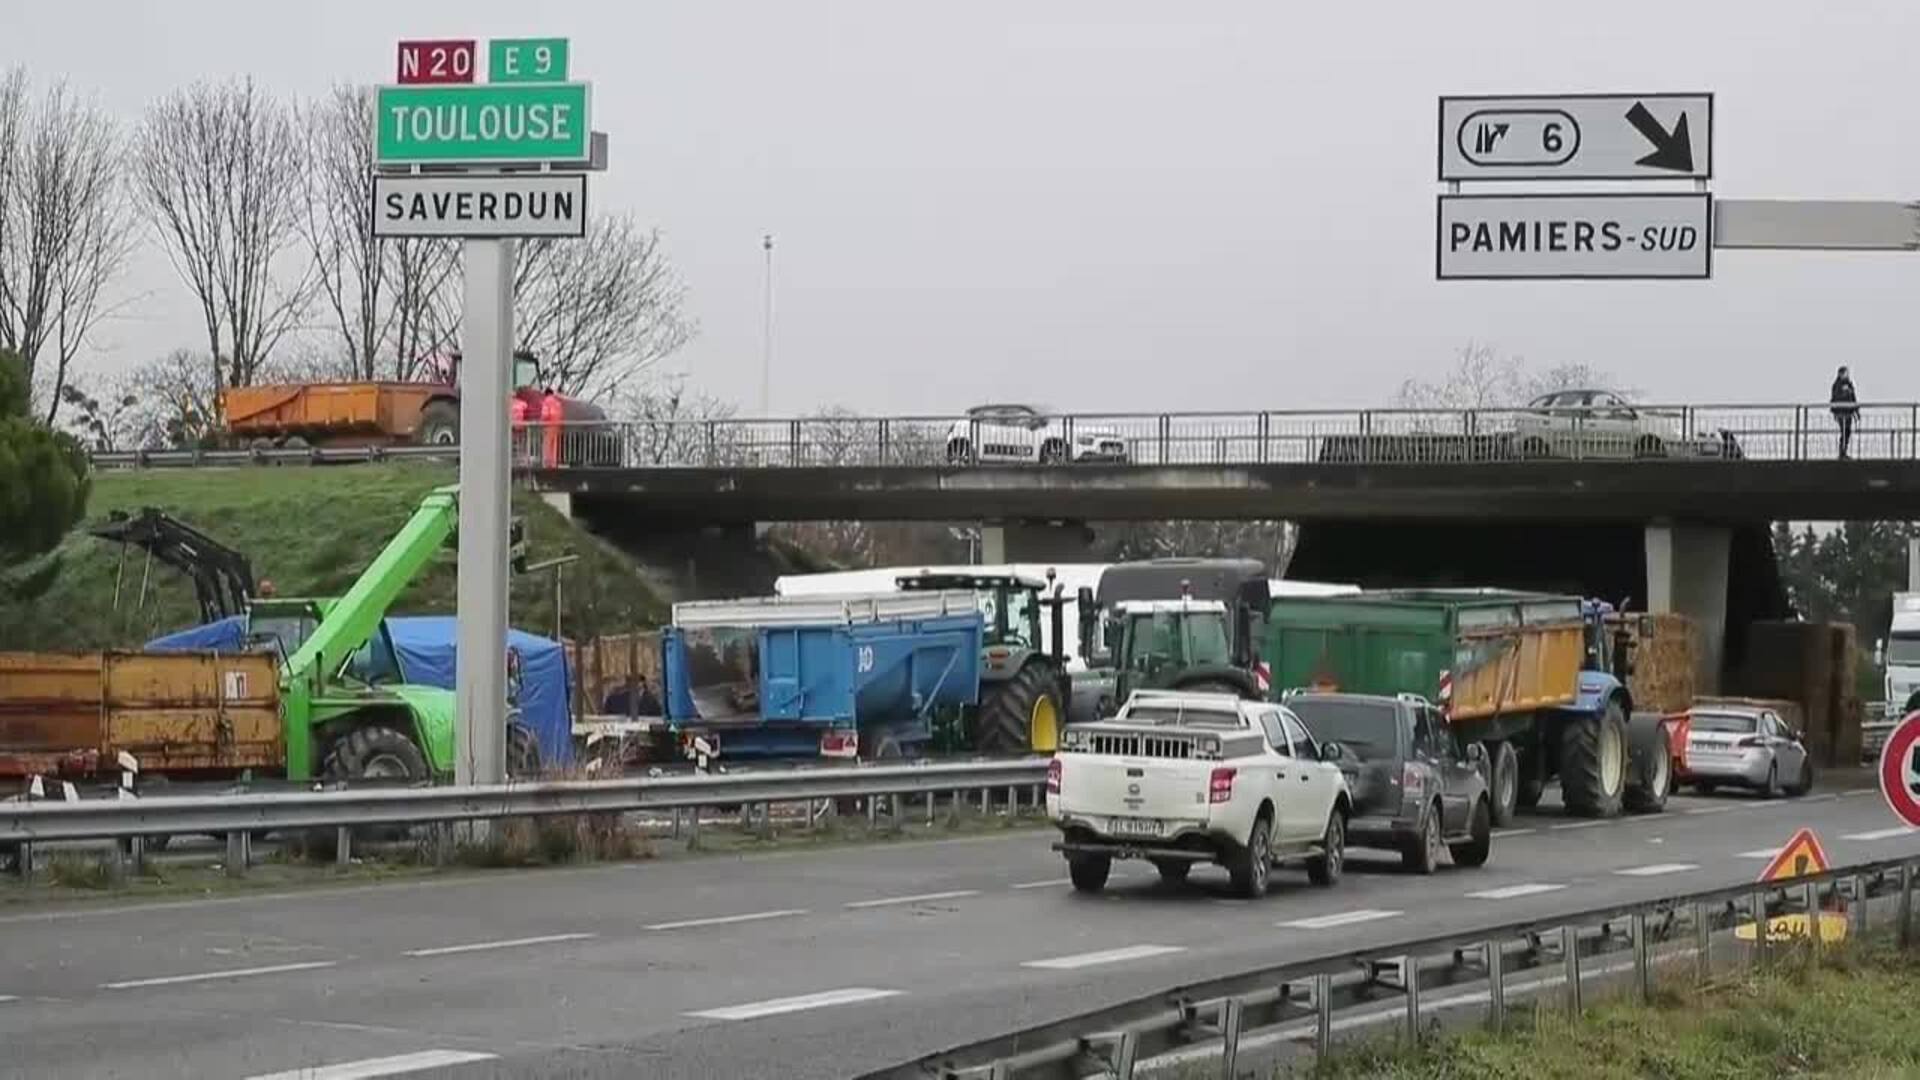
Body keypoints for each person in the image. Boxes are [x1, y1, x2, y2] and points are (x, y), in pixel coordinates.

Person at [1830, 365, 1859, 460]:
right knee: (1844, 431)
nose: (1845, 375)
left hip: (1848, 412)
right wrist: (1835, 411)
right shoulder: (1837, 385)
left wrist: (1856, 411)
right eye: (1843, 373)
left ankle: (1844, 451)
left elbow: (1853, 398)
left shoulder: (1849, 384)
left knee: (1847, 431)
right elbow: (1835, 398)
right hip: (1841, 412)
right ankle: (1842, 452)